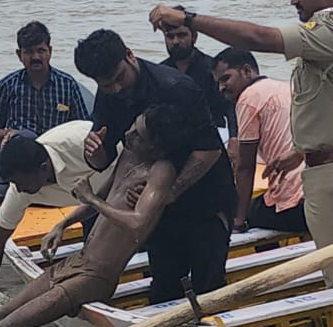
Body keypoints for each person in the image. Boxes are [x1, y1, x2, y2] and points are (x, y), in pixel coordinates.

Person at [148, 0, 333, 327]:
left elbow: (260, 38)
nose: (293, 1)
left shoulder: (330, 31)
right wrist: (297, 154)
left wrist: (189, 19)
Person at [0, 105, 193, 327]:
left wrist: (90, 198)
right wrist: (63, 224)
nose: (128, 136)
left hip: (97, 276)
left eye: (138, 135)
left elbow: (138, 222)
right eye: (132, 128)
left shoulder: (160, 171)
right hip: (78, 260)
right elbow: (102, 196)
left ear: (155, 145)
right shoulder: (128, 157)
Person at [75, 29, 236, 304]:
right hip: (156, 206)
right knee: (164, 284)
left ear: (130, 55)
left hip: (206, 197)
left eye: (119, 78)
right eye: (105, 85)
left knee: (208, 287)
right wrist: (94, 152)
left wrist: (172, 192)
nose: (116, 89)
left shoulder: (177, 88)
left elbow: (208, 151)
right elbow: (103, 159)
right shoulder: (108, 95)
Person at [0, 120, 112, 317]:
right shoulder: (21, 187)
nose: (19, 189)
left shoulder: (80, 144)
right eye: (13, 184)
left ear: (43, 168)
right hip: (96, 199)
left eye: (20, 184)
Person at [0, 21, 92, 203]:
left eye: (41, 51)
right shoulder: (7, 86)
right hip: (20, 162)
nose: (36, 57)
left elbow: (83, 128)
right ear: (19, 54)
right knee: (25, 137)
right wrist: (9, 134)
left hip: (54, 161)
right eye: (29, 52)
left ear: (50, 51)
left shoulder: (67, 84)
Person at [211, 47, 307, 234]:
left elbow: (245, 167)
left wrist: (239, 221)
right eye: (218, 83)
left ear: (247, 71)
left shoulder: (248, 99)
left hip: (294, 205)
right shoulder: (287, 88)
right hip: (316, 193)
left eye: (225, 79)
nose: (221, 88)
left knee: (237, 211)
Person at [160, 5, 238, 136]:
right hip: (173, 139)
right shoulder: (160, 72)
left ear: (194, 37)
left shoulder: (213, 70)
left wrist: (234, 138)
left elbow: (231, 107)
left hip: (213, 136)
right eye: (170, 37)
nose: (176, 41)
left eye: (182, 35)